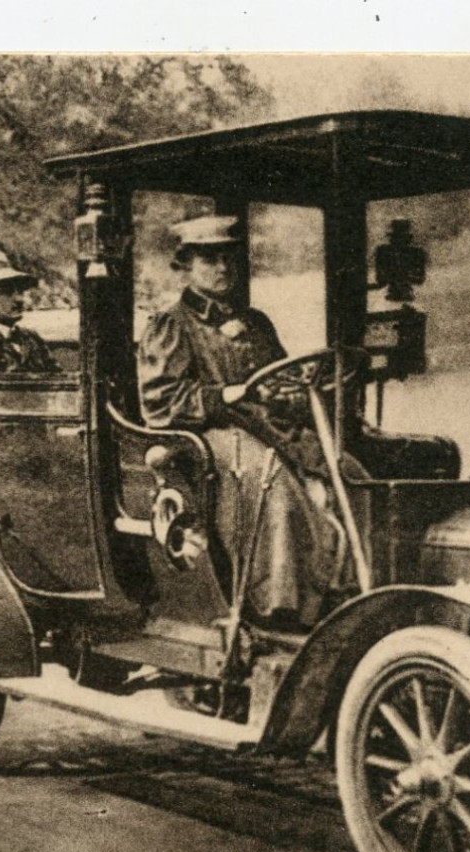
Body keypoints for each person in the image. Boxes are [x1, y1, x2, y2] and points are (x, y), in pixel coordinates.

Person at [137, 215, 345, 629]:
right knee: (275, 488)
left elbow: (278, 375)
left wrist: (293, 391)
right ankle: (278, 609)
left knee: (345, 472)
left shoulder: (256, 322)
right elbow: (159, 402)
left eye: (228, 259)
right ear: (186, 266)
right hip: (211, 434)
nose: (222, 268)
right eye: (209, 259)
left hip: (265, 426)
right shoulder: (171, 325)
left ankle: (341, 591)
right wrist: (224, 395)